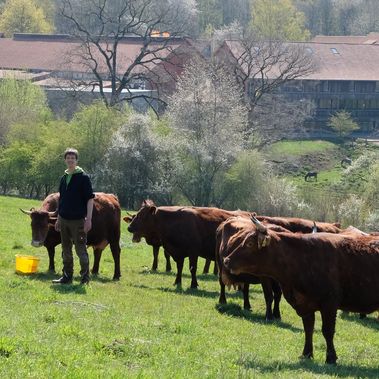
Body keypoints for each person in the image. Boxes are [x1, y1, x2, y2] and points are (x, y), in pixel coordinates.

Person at [52, 148, 94, 285]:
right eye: (68, 158)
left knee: (80, 250)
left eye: (73, 158)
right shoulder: (63, 178)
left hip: (78, 221)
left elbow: (90, 199)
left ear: (76, 160)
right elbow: (62, 199)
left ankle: (84, 279)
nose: (70, 160)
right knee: (65, 250)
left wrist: (89, 219)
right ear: (65, 160)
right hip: (64, 219)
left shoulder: (83, 178)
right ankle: (67, 277)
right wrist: (58, 218)